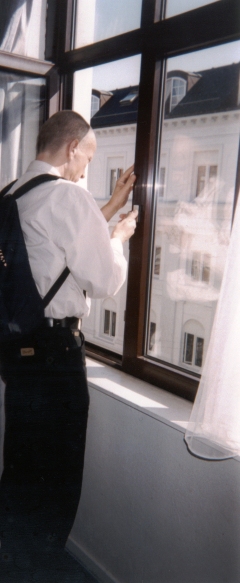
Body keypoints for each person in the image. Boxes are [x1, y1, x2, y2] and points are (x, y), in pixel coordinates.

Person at [0, 110, 137, 581]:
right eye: (88, 159)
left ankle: (14, 561)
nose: (86, 172)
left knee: (21, 468)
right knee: (58, 480)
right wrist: (117, 237)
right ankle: (38, 570)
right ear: (73, 147)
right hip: (56, 360)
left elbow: (46, 252)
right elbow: (102, 281)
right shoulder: (69, 197)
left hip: (18, 357)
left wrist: (102, 213)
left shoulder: (12, 193)